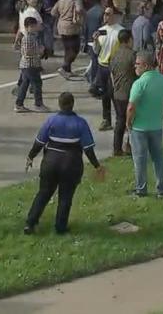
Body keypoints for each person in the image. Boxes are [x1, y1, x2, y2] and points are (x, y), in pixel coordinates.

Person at [24, 92, 105, 235]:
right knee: (65, 196)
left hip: (50, 162)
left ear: (59, 104)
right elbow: (88, 149)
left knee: (43, 193)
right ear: (72, 104)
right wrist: (97, 166)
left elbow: (39, 143)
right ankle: (60, 227)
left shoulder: (51, 121)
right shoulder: (80, 123)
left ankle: (30, 223)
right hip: (71, 164)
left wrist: (30, 157)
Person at [127, 51, 163, 198]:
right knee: (158, 158)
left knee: (139, 159)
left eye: (137, 64)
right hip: (156, 126)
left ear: (146, 65)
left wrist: (129, 123)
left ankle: (141, 189)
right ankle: (161, 188)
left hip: (139, 127)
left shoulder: (139, 83)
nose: (135, 67)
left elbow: (131, 107)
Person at [93, 7, 123, 130]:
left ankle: (120, 120)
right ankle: (106, 120)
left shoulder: (120, 31)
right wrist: (95, 40)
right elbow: (96, 51)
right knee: (104, 94)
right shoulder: (101, 31)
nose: (105, 16)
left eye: (108, 14)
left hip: (114, 67)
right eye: (104, 14)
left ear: (114, 15)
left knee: (115, 94)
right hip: (102, 66)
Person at [109, 31, 137, 156]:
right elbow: (137, 73)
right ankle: (129, 146)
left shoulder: (114, 55)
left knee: (120, 121)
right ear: (129, 40)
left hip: (117, 93)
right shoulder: (132, 55)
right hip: (130, 93)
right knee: (132, 121)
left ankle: (117, 148)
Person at [13, 17, 48, 113]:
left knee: (24, 85)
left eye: (35, 26)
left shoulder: (32, 36)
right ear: (27, 27)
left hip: (28, 65)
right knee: (37, 84)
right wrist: (39, 51)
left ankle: (19, 104)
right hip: (30, 65)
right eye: (32, 26)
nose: (34, 28)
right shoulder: (28, 38)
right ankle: (38, 104)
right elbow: (27, 52)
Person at [52, 0, 86, 78]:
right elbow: (79, 9)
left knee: (67, 49)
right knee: (75, 48)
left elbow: (53, 12)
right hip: (72, 26)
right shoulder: (76, 0)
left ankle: (68, 70)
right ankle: (64, 67)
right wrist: (82, 14)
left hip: (61, 26)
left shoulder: (61, 0)